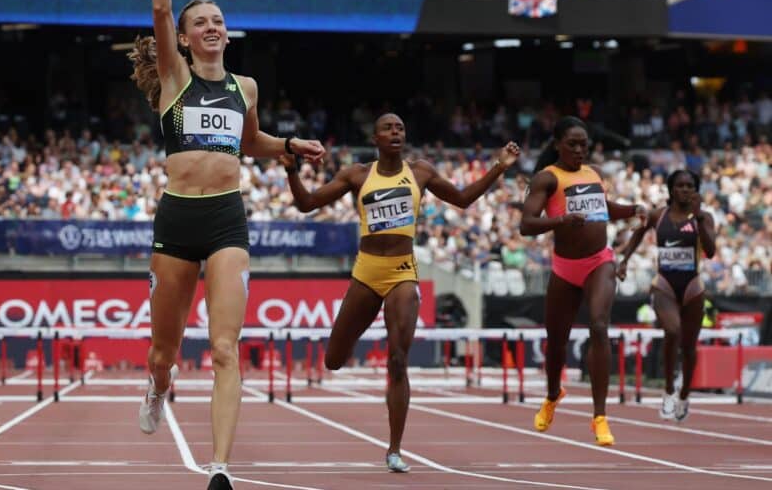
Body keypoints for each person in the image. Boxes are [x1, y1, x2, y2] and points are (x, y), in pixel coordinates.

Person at [129, 0, 325, 487]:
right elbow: (161, 7)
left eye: (217, 21)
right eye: (201, 23)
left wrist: (288, 147)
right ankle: (158, 386)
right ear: (185, 39)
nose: (211, 28)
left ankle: (219, 468)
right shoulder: (174, 77)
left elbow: (251, 142)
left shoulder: (246, 86)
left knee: (222, 348)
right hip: (176, 222)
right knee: (164, 351)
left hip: (226, 221)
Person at [281, 113, 519, 472]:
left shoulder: (420, 172)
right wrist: (290, 171)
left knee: (398, 358)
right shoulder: (357, 175)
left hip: (402, 272)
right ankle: (361, 369)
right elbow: (307, 204)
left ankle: (394, 449)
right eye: (388, 128)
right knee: (333, 359)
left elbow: (463, 199)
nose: (396, 132)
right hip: (366, 272)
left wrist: (499, 167)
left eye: (401, 128)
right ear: (375, 138)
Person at [520, 116, 646, 446]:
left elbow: (605, 209)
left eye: (584, 145)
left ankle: (600, 417)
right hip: (564, 268)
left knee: (599, 326)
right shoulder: (547, 178)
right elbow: (526, 224)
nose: (579, 150)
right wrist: (561, 219)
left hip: (599, 262)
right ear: (558, 144)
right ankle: (551, 396)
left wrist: (634, 209)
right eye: (573, 144)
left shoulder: (593, 174)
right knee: (556, 343)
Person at [618, 169, 715, 421]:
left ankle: (684, 394)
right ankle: (669, 390)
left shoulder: (703, 218)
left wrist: (700, 218)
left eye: (690, 186)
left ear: (695, 190)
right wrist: (625, 259)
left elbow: (711, 251)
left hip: (693, 285)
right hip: (665, 284)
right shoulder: (657, 216)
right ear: (671, 189)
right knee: (672, 331)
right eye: (681, 185)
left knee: (689, 346)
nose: (685, 189)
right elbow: (638, 232)